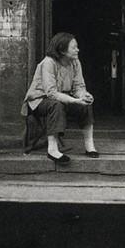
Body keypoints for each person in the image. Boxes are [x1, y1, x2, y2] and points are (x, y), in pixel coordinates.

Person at [21, 32, 99, 164]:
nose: (77, 50)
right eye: (74, 47)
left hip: (63, 98)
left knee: (85, 105)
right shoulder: (48, 63)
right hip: (39, 100)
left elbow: (79, 86)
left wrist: (83, 95)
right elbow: (51, 93)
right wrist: (75, 100)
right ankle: (52, 149)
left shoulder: (75, 62)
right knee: (55, 104)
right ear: (62, 50)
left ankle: (89, 145)